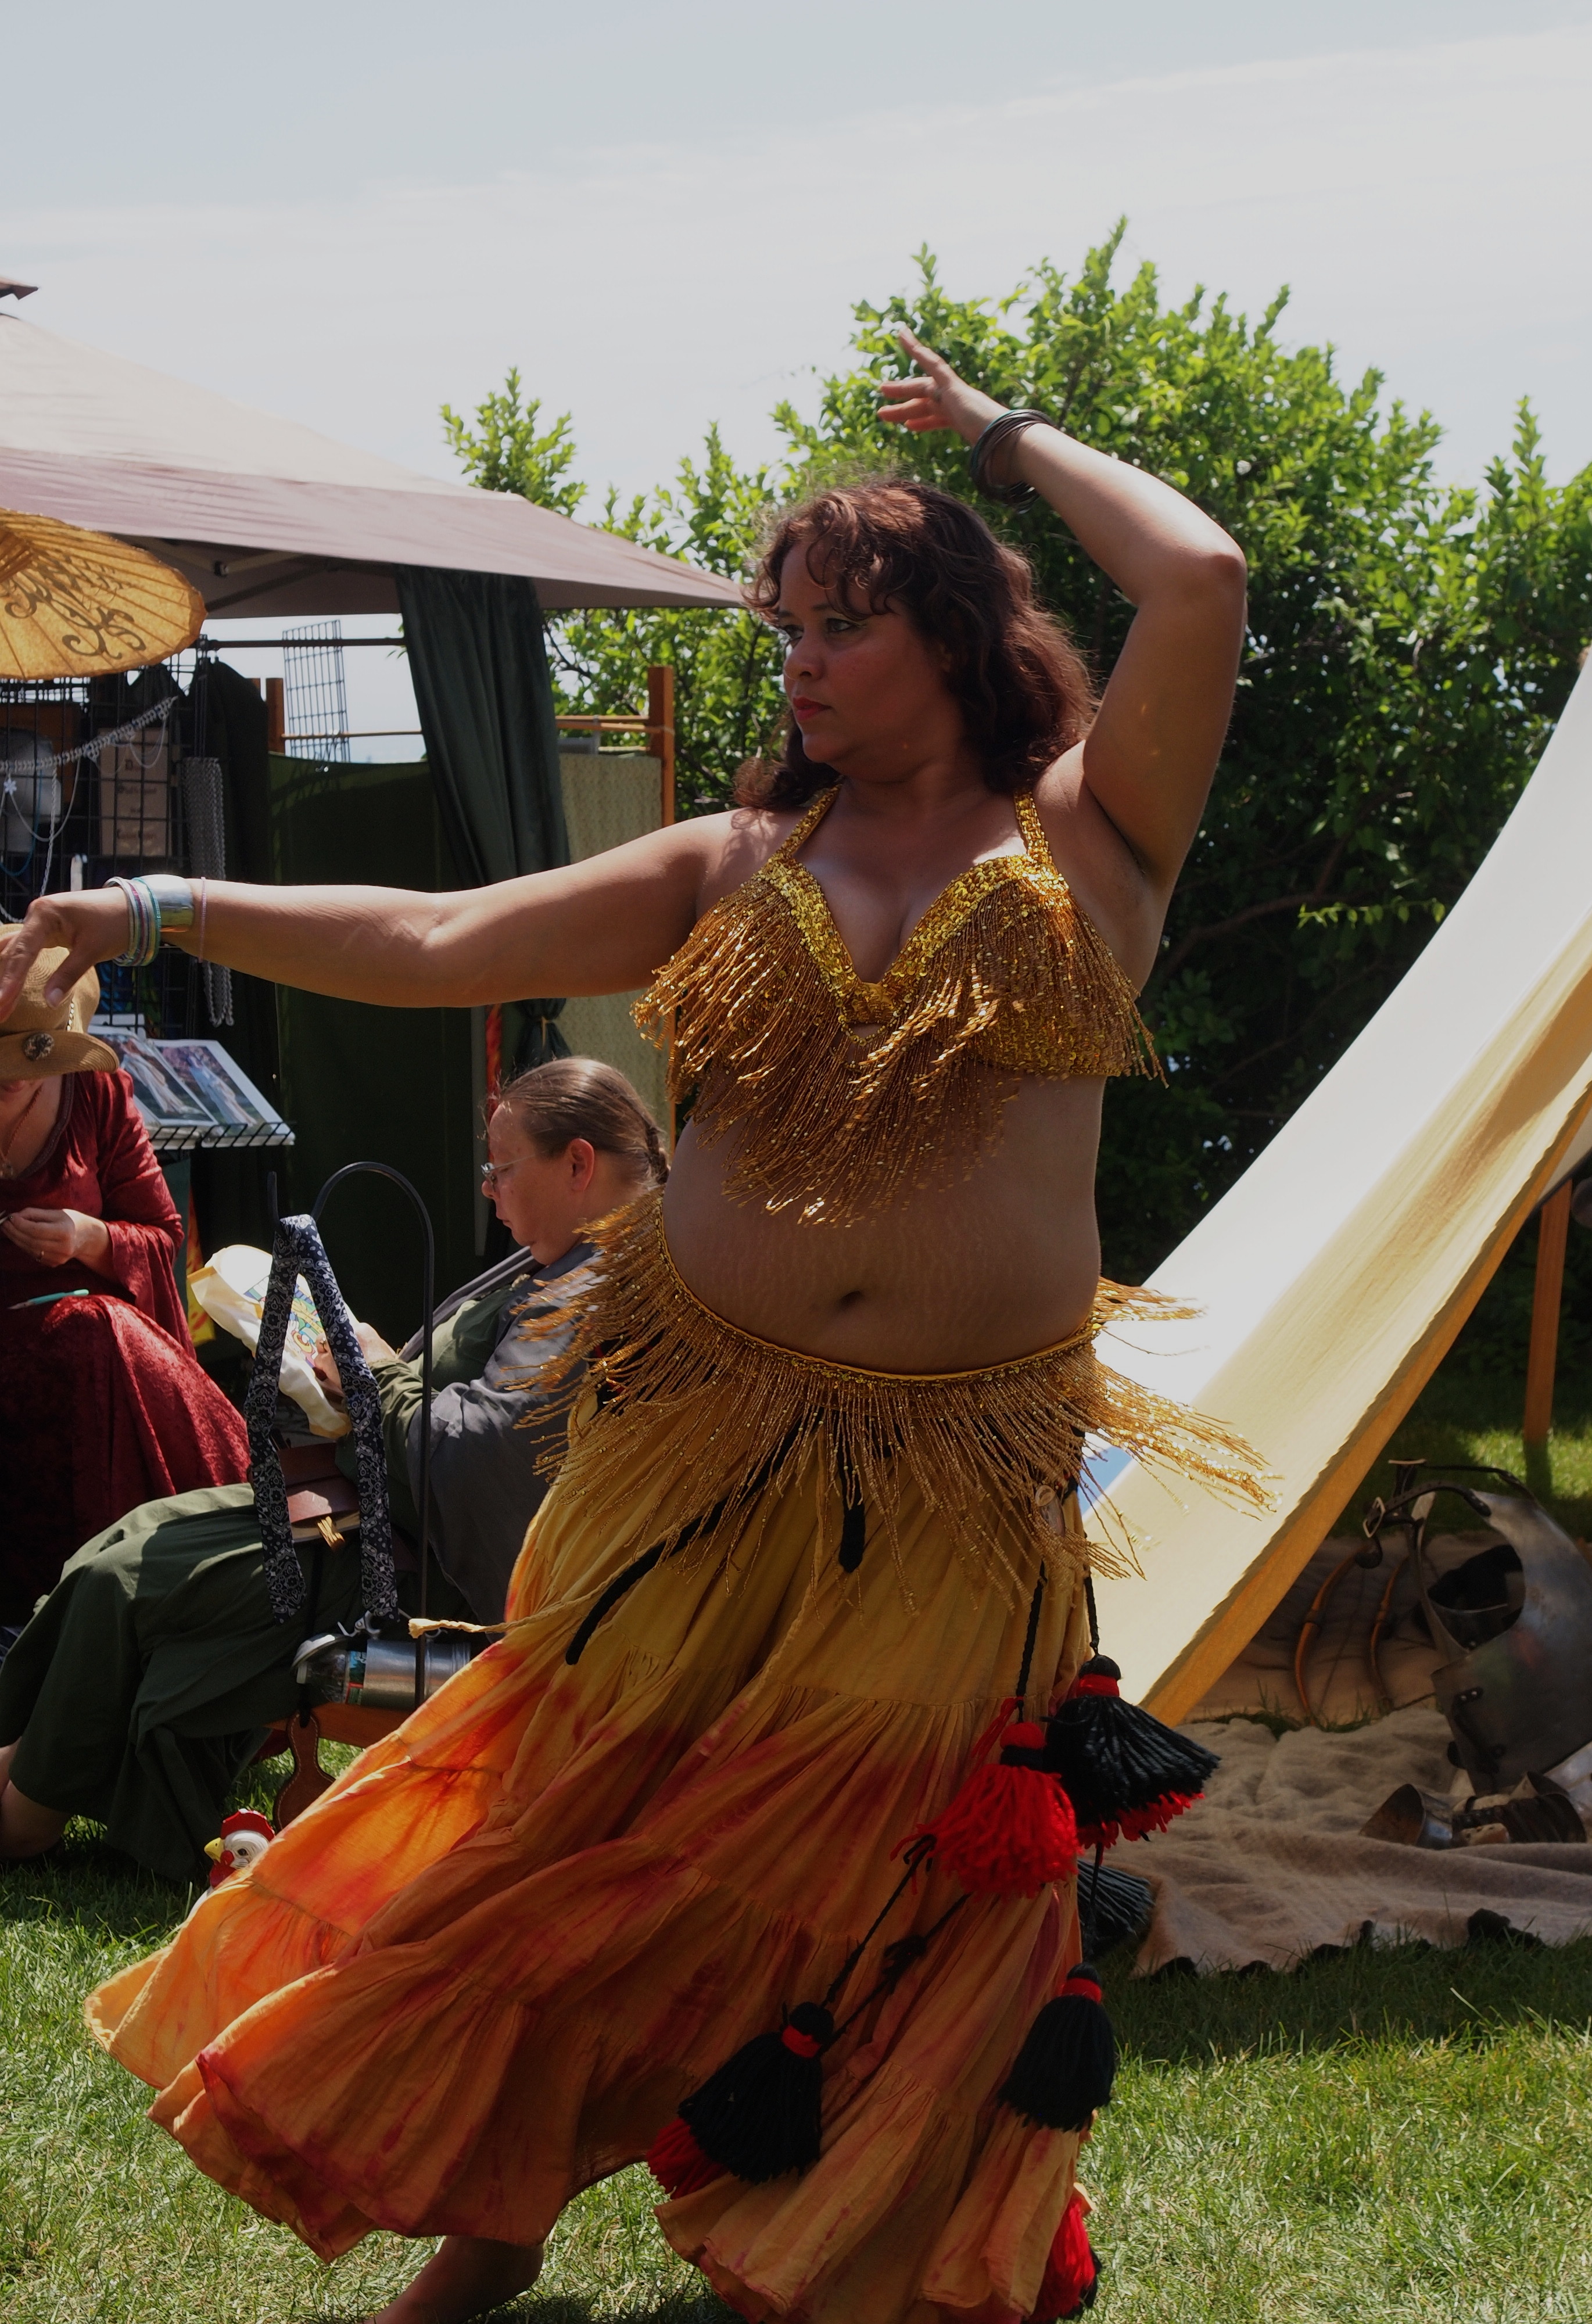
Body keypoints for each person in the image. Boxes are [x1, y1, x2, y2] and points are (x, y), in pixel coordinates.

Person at [0, 329, 1270, 2324]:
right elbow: (439, 938)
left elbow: (1197, 576)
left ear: (951, 632)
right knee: (573, 1819)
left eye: (840, 626)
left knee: (893, 1862)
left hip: (959, 1480)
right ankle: (491, 2210)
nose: (801, 664)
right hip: (701, 1451)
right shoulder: (732, 863)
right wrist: (159, 906)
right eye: (787, 631)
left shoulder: (1093, 837)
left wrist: (998, 436)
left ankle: (856, 2244)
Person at [0, 1057, 664, 1879]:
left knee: (128, 1578)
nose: (488, 1188)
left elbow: (485, 1459)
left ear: (578, 1164)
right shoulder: (574, 1258)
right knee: (129, 1539)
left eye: (501, 1168)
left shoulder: (600, 1288)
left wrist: (374, 1375)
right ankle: (23, 1754)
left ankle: (25, 1811)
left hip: (419, 1574)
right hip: (378, 1515)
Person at [0, 941, 250, 1644]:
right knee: (98, 1336)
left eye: (29, 1060)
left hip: (100, 1351)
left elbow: (162, 1237)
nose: (12, 1077)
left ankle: (214, 1562)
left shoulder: (98, 1094)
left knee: (100, 1332)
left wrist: (89, 1238)